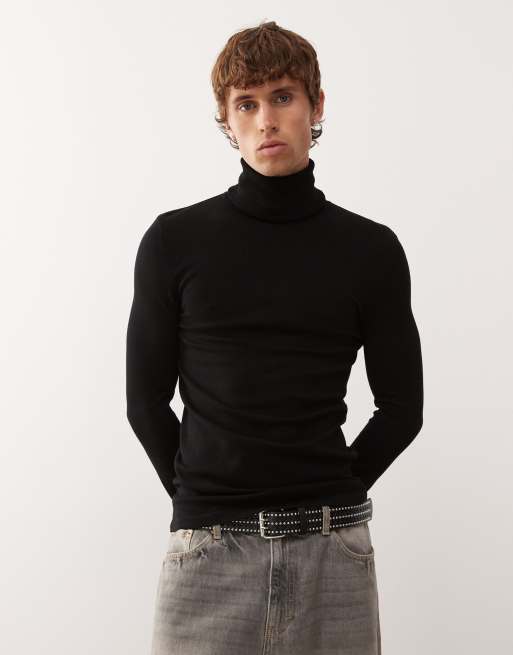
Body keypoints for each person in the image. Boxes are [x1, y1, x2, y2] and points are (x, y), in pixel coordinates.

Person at [126, 20, 423, 655]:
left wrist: (330, 494)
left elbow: (403, 409)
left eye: (283, 97)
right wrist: (203, 501)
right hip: (208, 556)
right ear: (227, 122)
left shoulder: (370, 250)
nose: (266, 120)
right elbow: (144, 402)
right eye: (247, 103)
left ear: (316, 106)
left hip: (334, 556)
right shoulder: (174, 242)